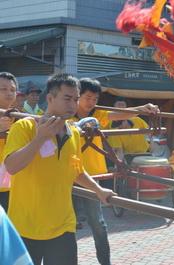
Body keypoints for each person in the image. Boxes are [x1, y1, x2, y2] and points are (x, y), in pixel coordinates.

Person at [3, 73, 115, 265]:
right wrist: (40, 138)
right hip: (26, 227)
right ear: (50, 98)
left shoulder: (73, 132)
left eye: (75, 99)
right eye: (67, 98)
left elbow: (76, 170)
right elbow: (11, 167)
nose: (73, 104)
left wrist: (99, 190)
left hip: (63, 226)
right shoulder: (25, 126)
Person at [72, 78, 159, 265]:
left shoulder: (98, 115)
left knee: (98, 223)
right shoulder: (67, 116)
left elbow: (118, 114)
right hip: (68, 176)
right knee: (67, 224)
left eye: (95, 98)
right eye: (88, 97)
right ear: (77, 96)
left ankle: (105, 262)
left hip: (92, 176)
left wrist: (142, 108)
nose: (91, 102)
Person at [108, 98, 150, 163]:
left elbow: (150, 134)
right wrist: (119, 165)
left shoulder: (138, 120)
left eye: (122, 105)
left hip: (146, 153)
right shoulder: (113, 129)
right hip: (129, 157)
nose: (120, 107)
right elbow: (119, 151)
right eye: (119, 105)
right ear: (113, 107)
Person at [0, 72, 17, 210]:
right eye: (3, 89)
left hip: (13, 183)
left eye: (12, 90)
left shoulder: (18, 116)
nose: (9, 93)